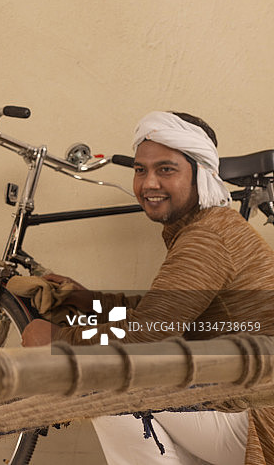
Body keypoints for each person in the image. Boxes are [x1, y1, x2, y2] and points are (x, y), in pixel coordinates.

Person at [21, 111, 274, 464]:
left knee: (106, 378)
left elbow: (147, 338)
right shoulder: (210, 226)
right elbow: (165, 313)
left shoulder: (207, 238)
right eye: (141, 170)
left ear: (201, 173)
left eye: (166, 169)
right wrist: (90, 300)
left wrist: (55, 342)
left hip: (257, 421)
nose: (148, 183)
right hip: (243, 405)